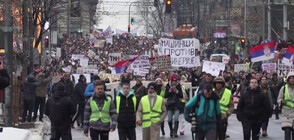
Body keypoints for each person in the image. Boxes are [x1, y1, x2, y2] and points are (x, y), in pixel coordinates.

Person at [277, 72, 294, 140]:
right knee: (287, 132)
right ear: (288, 79)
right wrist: (281, 101)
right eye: (290, 78)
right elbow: (279, 98)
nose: (292, 79)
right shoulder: (284, 88)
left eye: (293, 78)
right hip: (286, 114)